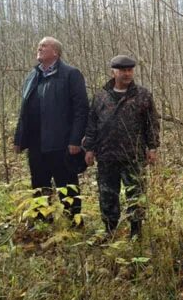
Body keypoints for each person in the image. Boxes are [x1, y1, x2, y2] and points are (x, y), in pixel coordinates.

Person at [82, 55, 160, 239]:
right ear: (113, 72)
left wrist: (152, 147)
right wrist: (89, 148)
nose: (127, 74)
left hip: (133, 155)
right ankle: (109, 230)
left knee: (136, 194)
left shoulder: (143, 95)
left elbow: (152, 123)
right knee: (107, 195)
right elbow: (92, 124)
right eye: (123, 70)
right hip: (106, 156)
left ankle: (136, 231)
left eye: (130, 70)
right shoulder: (101, 96)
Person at [14, 37, 89, 225]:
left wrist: (75, 140)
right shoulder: (33, 75)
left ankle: (74, 221)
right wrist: (19, 138)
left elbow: (81, 109)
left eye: (44, 46)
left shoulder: (70, 74)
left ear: (56, 52)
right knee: (39, 183)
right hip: (35, 142)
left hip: (61, 142)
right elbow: (25, 110)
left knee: (67, 184)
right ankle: (42, 221)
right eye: (39, 45)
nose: (39, 48)